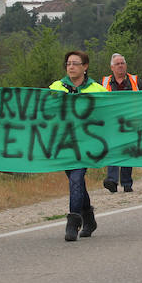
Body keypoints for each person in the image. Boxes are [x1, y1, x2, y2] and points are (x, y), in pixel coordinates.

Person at [50, 50, 108, 241]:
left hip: (87, 144)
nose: (71, 67)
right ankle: (89, 219)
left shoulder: (98, 90)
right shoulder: (56, 87)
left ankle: (73, 222)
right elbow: (46, 111)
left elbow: (110, 114)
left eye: (75, 63)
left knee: (76, 179)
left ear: (85, 66)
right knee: (77, 182)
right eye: (68, 63)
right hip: (65, 143)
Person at [100, 53, 142, 193]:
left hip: (131, 121)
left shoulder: (135, 81)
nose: (120, 66)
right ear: (111, 67)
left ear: (126, 65)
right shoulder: (104, 82)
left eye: (122, 63)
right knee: (113, 150)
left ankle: (126, 183)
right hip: (111, 122)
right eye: (117, 64)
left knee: (127, 151)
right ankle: (112, 180)